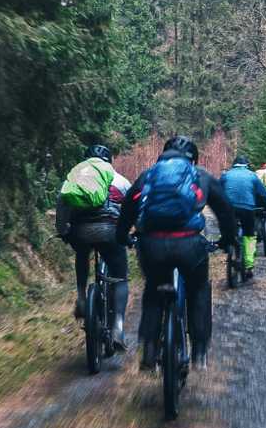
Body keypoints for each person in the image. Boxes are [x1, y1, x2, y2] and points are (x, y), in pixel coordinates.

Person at [117, 136, 222, 370]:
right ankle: (199, 351)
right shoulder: (200, 175)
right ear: (193, 159)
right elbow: (223, 208)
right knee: (198, 289)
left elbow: (128, 207)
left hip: (152, 245)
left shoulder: (148, 175)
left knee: (154, 289)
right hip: (189, 245)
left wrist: (122, 236)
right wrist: (229, 239)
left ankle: (149, 349)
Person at [55, 144, 131, 348]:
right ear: (109, 162)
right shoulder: (118, 179)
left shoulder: (77, 176)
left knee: (82, 253)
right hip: (109, 231)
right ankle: (118, 327)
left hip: (81, 231)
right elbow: (133, 206)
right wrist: (133, 232)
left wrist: (63, 230)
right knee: (121, 276)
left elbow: (62, 201)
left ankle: (81, 297)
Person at [221, 154, 266, 280]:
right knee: (249, 235)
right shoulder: (252, 175)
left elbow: (218, 190)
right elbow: (262, 194)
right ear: (247, 165)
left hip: (229, 208)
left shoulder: (226, 175)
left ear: (234, 164)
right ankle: (249, 266)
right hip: (247, 208)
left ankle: (227, 246)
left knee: (228, 227)